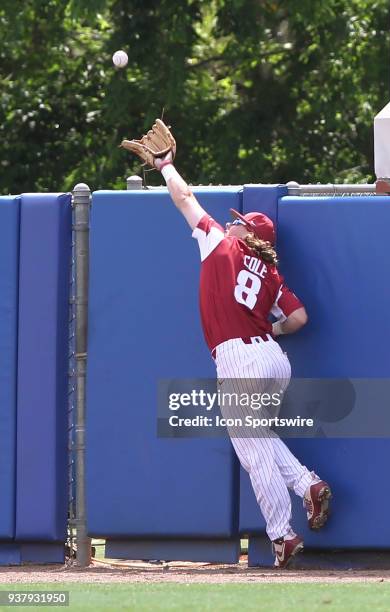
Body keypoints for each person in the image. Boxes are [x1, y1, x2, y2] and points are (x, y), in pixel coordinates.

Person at [155, 151, 332, 568]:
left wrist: (166, 166)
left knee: (253, 453)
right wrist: (272, 330)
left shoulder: (221, 241)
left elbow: (184, 198)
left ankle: (282, 535)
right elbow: (299, 317)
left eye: (239, 220)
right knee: (261, 439)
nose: (232, 221)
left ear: (247, 232)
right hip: (273, 359)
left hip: (238, 358)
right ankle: (308, 485)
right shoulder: (272, 273)